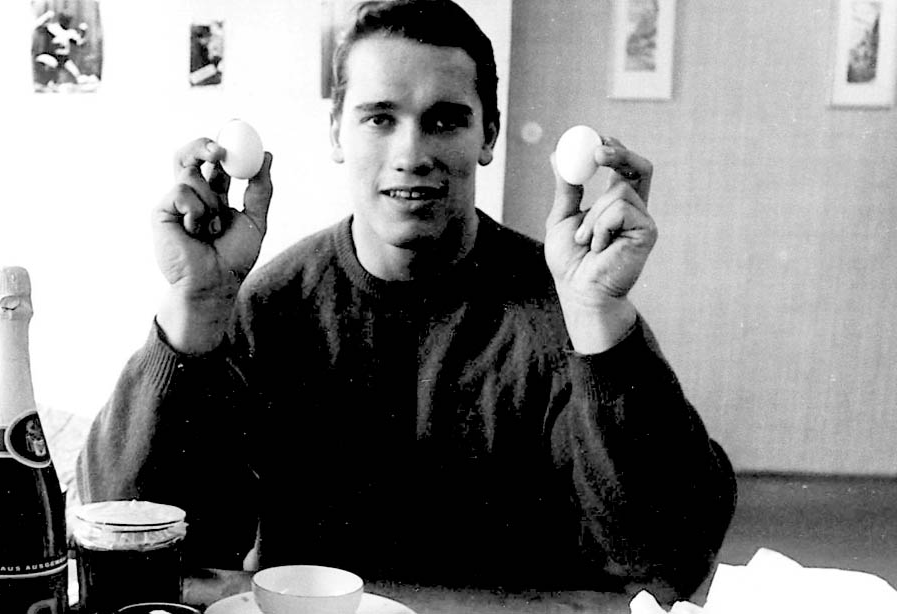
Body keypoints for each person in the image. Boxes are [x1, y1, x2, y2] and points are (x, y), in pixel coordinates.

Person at [77, 0, 736, 602]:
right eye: (379, 119)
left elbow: (671, 561)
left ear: (488, 135)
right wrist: (195, 304)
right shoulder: (272, 304)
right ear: (337, 133)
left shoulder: (557, 308)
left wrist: (598, 316)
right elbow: (133, 552)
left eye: (443, 121)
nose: (410, 153)